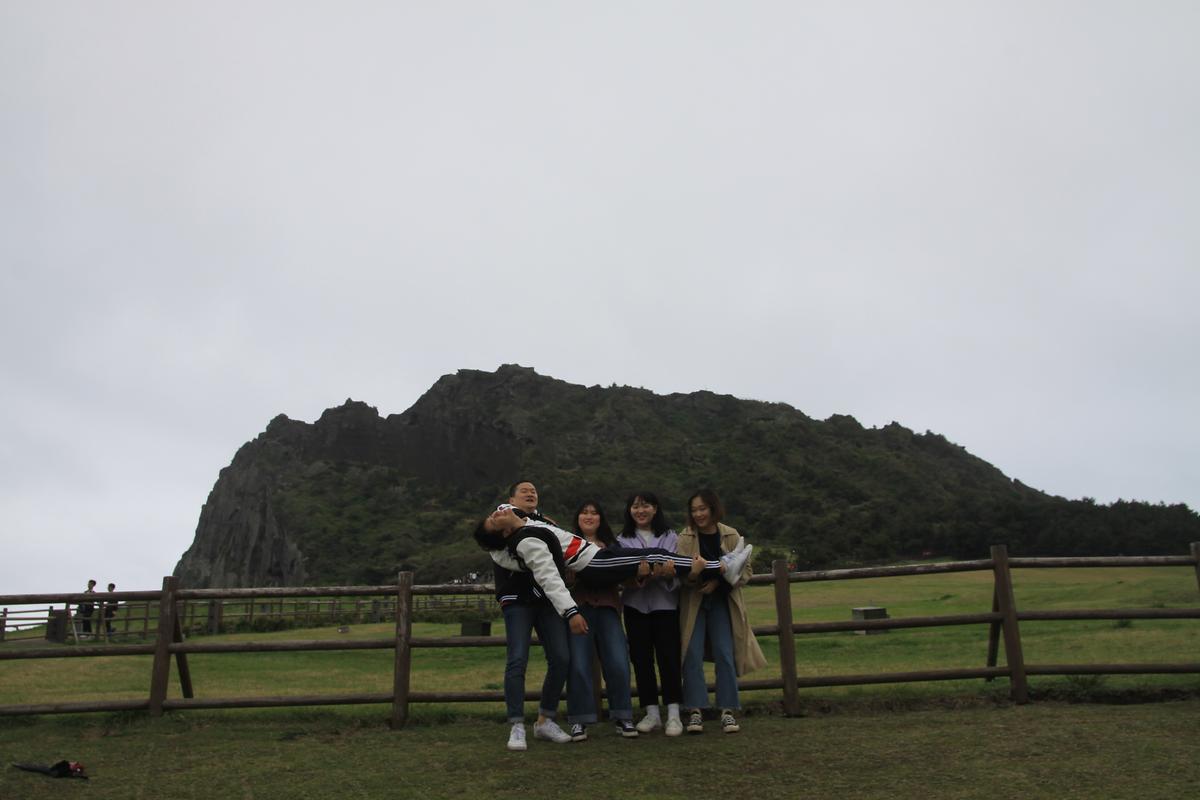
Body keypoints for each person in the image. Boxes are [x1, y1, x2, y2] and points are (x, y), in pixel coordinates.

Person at [476, 504, 753, 625]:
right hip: (592, 564)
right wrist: (571, 612)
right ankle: (723, 567)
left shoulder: (528, 523)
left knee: (656, 552)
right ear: (505, 532)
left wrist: (518, 516)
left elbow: (506, 509)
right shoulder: (526, 540)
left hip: (595, 556)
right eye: (494, 520)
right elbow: (549, 579)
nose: (497, 514)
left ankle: (723, 565)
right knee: (654, 558)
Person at [473, 480, 572, 751]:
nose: (530, 493)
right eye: (524, 491)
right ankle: (516, 724)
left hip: (547, 598)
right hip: (516, 598)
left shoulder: (544, 523)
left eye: (534, 490)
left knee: (561, 657)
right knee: (517, 658)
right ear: (511, 500)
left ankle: (545, 719)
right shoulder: (501, 519)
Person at [676, 489, 766, 734]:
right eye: (694, 510)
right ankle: (695, 710)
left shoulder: (730, 534)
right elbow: (680, 575)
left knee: (725, 654)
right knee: (691, 654)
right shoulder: (685, 536)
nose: (698, 514)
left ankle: (727, 710)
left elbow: (746, 571)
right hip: (694, 602)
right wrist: (694, 576)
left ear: (713, 509)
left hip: (722, 603)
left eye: (702, 509)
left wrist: (719, 583)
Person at [564, 500, 637, 741]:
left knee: (618, 661)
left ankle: (623, 716)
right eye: (584, 512)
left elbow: (626, 576)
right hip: (578, 608)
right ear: (577, 518)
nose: (589, 516)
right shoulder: (566, 544)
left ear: (601, 519)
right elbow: (560, 579)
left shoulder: (613, 546)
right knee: (578, 664)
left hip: (608, 608)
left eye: (594, 513)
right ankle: (579, 719)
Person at [618, 491, 685, 736]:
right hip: (635, 606)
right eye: (635, 506)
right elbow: (621, 575)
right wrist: (637, 577)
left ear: (655, 509)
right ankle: (651, 713)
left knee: (669, 658)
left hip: (666, 605)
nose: (640, 511)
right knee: (641, 658)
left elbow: (680, 570)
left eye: (645, 505)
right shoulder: (621, 540)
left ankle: (674, 714)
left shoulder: (671, 536)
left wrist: (668, 576)